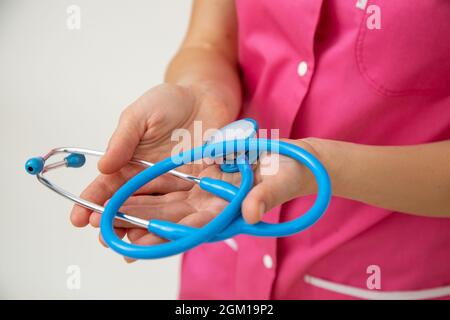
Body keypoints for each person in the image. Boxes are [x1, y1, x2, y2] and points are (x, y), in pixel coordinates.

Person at [70, 0, 450, 299]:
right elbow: (208, 43)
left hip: (383, 274)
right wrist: (201, 92)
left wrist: (323, 166)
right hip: (219, 249)